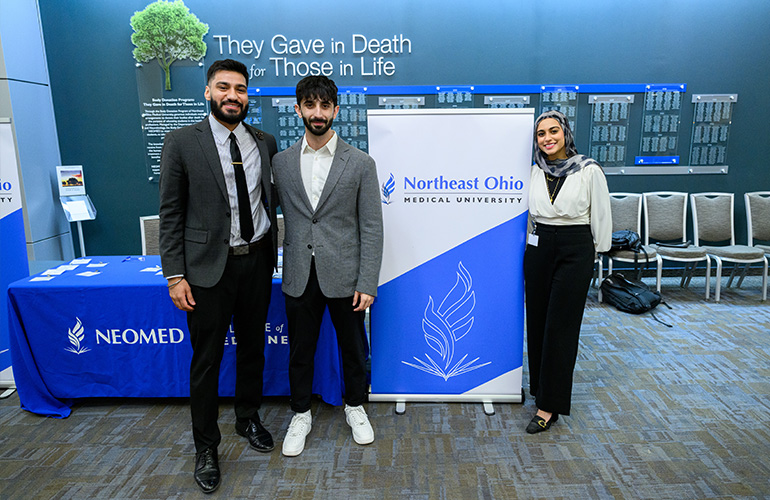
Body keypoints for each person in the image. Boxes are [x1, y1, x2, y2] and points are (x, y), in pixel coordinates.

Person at [158, 59, 278, 493]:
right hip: (207, 270)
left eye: (241, 89)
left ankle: (247, 419)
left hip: (257, 263)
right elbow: (170, 213)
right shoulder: (181, 142)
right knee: (206, 361)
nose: (233, 95)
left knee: (252, 350)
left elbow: (270, 202)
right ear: (208, 92)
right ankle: (206, 446)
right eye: (224, 87)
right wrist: (174, 275)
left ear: (248, 96)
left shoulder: (264, 141)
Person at [272, 75, 383, 457]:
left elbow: (371, 225)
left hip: (347, 275)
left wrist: (367, 280)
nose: (317, 113)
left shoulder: (361, 163)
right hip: (300, 273)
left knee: (353, 348)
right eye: (310, 105)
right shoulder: (281, 163)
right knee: (300, 350)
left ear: (336, 110)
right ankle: (300, 413)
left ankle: (355, 406)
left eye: (324, 106)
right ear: (299, 108)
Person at [524, 110, 611, 434]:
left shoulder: (588, 170)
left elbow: (601, 215)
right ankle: (539, 391)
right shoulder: (534, 171)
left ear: (566, 133)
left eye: (553, 131)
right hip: (539, 247)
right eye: (541, 134)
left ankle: (550, 406)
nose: (547, 138)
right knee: (537, 323)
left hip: (575, 248)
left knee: (560, 328)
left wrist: (599, 253)